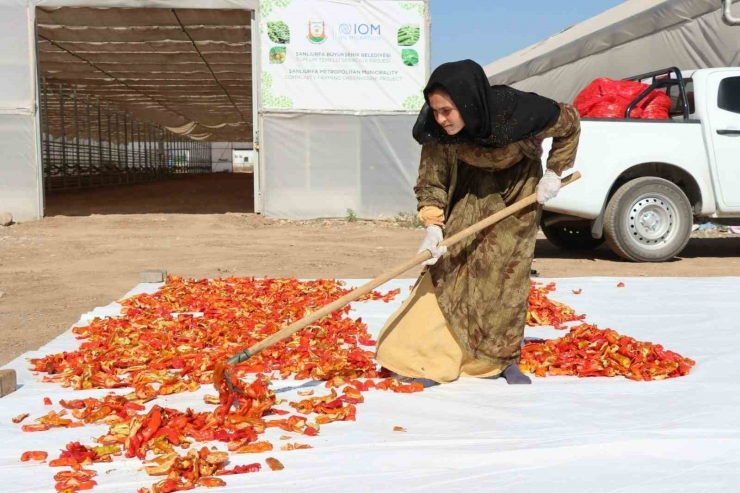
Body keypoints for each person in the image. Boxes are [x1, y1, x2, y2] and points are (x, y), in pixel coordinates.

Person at [375, 59, 581, 385]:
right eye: (436, 110)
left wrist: (555, 171)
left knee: (505, 281)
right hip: (471, 195)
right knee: (450, 270)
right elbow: (431, 179)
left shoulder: (518, 112)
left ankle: (499, 360)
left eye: (447, 111)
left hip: (519, 200)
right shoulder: (436, 130)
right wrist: (432, 225)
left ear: (469, 102)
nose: (440, 119)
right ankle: (421, 356)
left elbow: (570, 122)